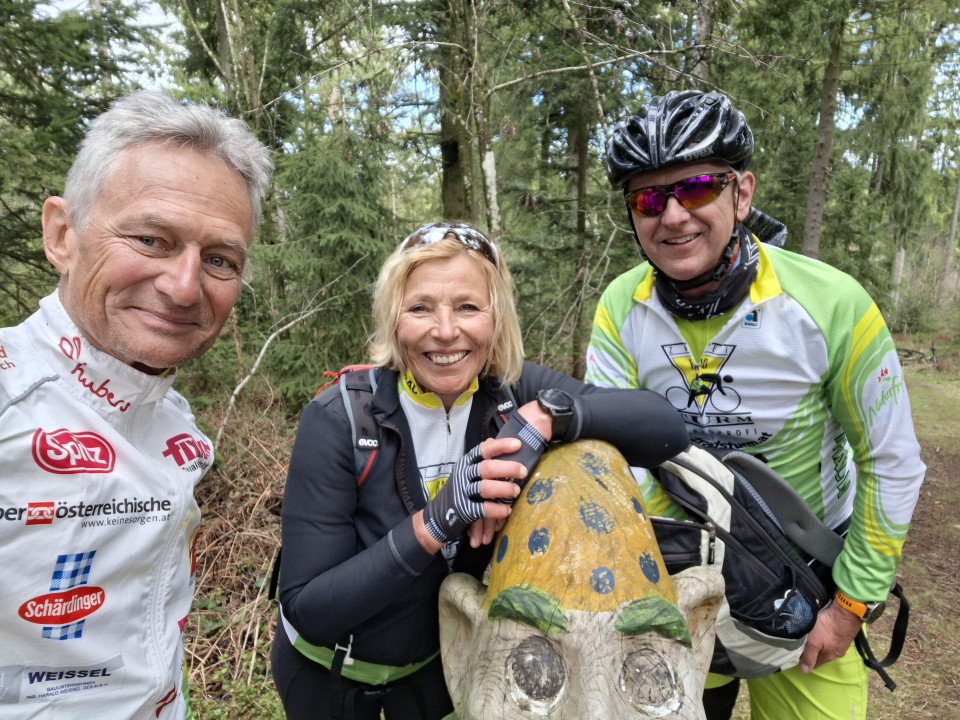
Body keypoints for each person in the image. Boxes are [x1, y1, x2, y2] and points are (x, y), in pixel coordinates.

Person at [585, 89, 926, 720]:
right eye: (648, 199)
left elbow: (892, 460)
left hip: (807, 590)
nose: (673, 216)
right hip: (674, 588)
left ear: (741, 194)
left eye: (695, 189)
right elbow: (611, 457)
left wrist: (851, 605)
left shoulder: (830, 303)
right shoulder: (619, 305)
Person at [271, 222, 691, 720]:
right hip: (328, 676)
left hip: (434, 672)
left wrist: (547, 418)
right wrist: (436, 522)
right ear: (392, 318)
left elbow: (666, 427)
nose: (446, 331)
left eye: (468, 307)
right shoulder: (341, 417)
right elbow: (310, 609)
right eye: (420, 307)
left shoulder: (508, 391)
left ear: (497, 318)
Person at [0, 91, 272, 719]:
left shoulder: (175, 421)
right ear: (62, 235)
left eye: (219, 260)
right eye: (151, 239)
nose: (184, 287)